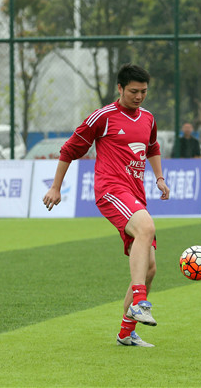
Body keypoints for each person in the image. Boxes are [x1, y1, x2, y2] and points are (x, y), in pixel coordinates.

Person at [43, 63, 170, 348]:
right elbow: (70, 148)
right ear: (120, 88)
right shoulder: (104, 117)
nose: (139, 97)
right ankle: (139, 301)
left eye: (144, 92)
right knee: (146, 227)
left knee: (150, 267)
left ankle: (126, 332)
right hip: (110, 190)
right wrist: (55, 187)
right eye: (134, 91)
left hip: (136, 194)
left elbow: (152, 147)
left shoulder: (148, 118)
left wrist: (159, 178)